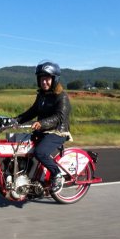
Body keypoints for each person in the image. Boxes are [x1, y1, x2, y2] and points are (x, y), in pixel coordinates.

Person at [15, 61, 72, 193]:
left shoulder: (62, 96)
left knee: (40, 152)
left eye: (47, 79)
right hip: (43, 130)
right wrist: (15, 120)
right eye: (42, 78)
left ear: (54, 79)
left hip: (58, 131)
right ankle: (25, 179)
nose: (44, 82)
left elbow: (59, 117)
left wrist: (41, 123)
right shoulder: (42, 95)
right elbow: (32, 111)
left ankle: (57, 175)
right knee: (20, 147)